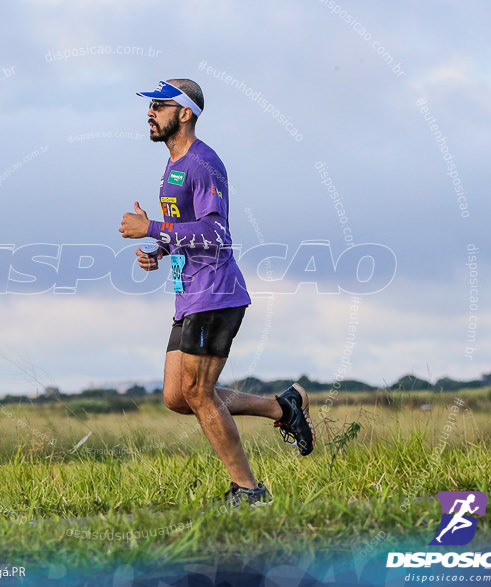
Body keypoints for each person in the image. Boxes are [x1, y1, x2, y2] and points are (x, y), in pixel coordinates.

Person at [119, 79, 315, 507]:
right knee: (177, 397)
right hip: (188, 294)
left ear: (184, 113)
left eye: (159, 106)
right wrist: (158, 249)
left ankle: (249, 490)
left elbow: (215, 231)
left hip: (216, 294)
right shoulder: (174, 165)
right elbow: (186, 232)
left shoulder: (203, 164)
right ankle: (282, 409)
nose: (149, 113)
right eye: (149, 107)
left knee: (199, 394)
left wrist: (151, 227)